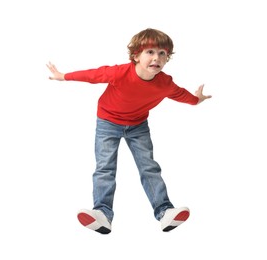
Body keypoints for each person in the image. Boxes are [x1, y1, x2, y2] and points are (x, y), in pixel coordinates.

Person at [47, 28, 212, 234]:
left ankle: (165, 211)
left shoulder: (165, 83)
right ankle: (102, 214)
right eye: (150, 52)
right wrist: (63, 76)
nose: (156, 58)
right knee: (105, 167)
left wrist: (197, 99)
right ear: (136, 56)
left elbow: (181, 95)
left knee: (149, 167)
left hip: (137, 125)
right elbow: (93, 75)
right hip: (108, 122)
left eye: (162, 54)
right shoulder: (120, 72)